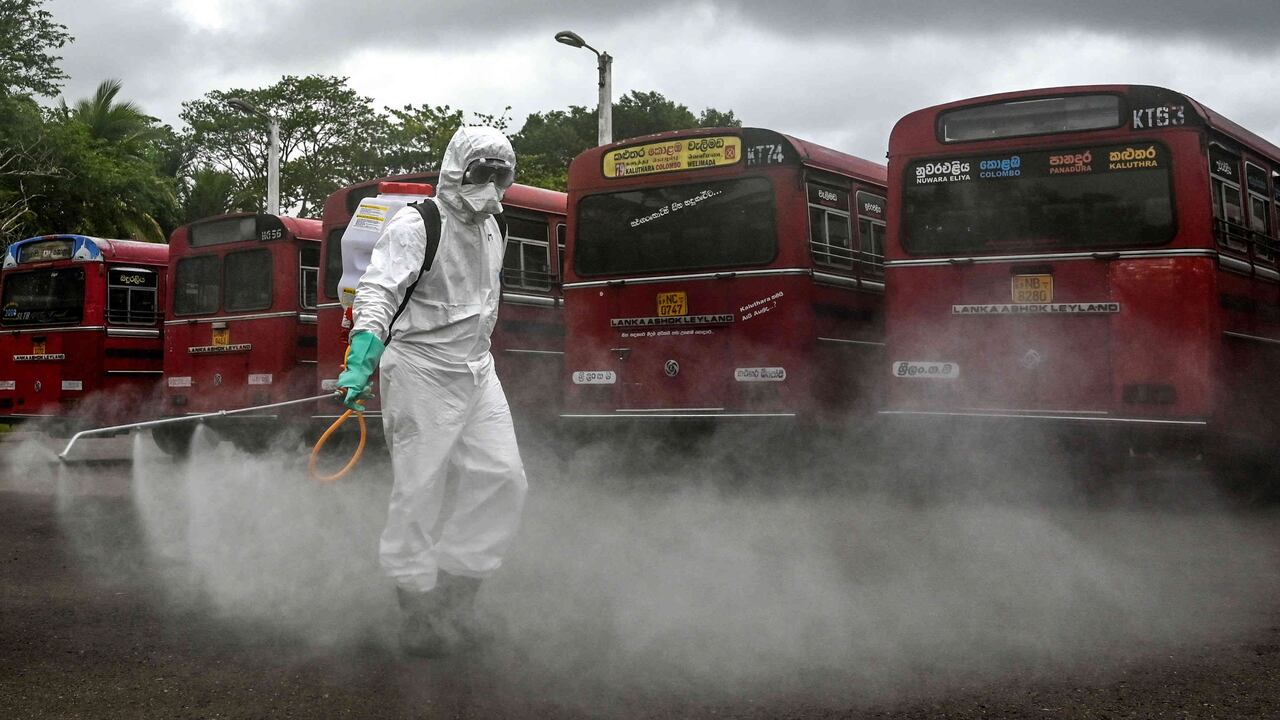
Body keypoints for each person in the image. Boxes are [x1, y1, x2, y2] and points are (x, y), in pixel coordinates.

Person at [336, 126, 528, 657]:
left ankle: (455, 602)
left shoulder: (496, 227)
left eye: (500, 176)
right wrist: (362, 358)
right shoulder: (417, 223)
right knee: (419, 491)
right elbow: (378, 290)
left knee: (504, 478)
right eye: (480, 175)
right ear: (454, 171)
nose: (490, 187)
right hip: (420, 368)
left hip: (476, 369)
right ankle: (417, 613)